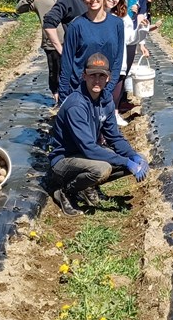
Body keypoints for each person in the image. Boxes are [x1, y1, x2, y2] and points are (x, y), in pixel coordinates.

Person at [46, 53, 149, 216]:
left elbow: (114, 136)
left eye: (102, 76)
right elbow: (89, 149)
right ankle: (65, 191)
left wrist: (133, 156)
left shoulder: (105, 99)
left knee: (138, 158)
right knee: (102, 168)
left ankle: (85, 186)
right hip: (64, 159)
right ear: (84, 76)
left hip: (85, 154)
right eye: (92, 75)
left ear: (108, 78)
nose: (97, 80)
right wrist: (126, 161)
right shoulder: (76, 106)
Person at [59, 0, 125, 104]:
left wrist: (109, 88)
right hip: (79, 90)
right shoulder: (76, 26)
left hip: (105, 90)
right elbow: (66, 65)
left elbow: (118, 60)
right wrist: (63, 99)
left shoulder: (117, 24)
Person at [18, 0, 64, 105]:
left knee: (67, 71)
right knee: (54, 71)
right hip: (50, 42)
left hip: (68, 39)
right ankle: (57, 97)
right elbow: (19, 9)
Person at [105, 0, 148, 122]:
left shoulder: (122, 17)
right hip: (100, 62)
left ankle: (113, 116)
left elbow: (130, 38)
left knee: (115, 89)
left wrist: (141, 30)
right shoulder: (96, 13)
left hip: (118, 61)